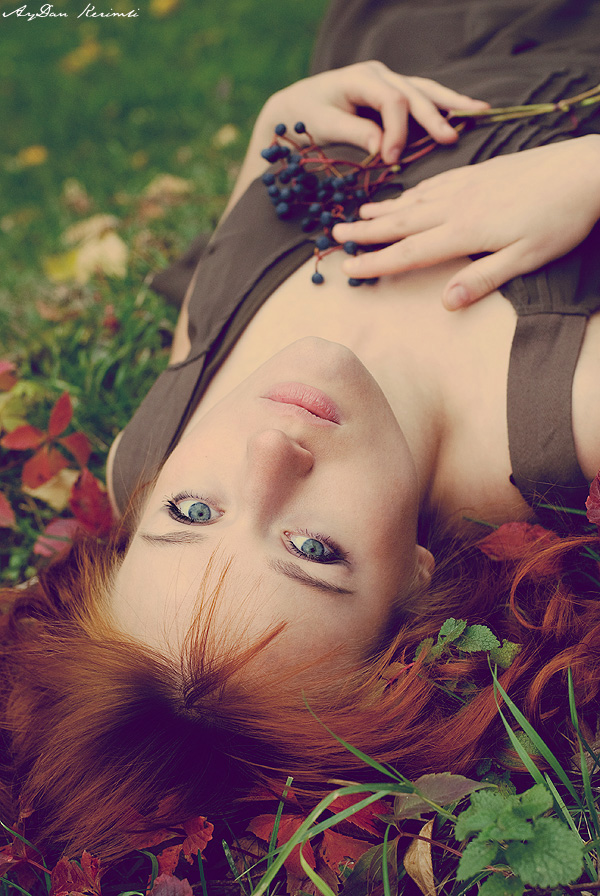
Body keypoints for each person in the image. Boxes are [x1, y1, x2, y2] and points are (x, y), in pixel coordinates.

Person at [2, 0, 600, 865]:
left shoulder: (158, 437)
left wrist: (280, 124)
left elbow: (240, 234)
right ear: (414, 584)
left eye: (192, 515)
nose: (267, 451)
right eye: (314, 549)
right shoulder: (560, 407)